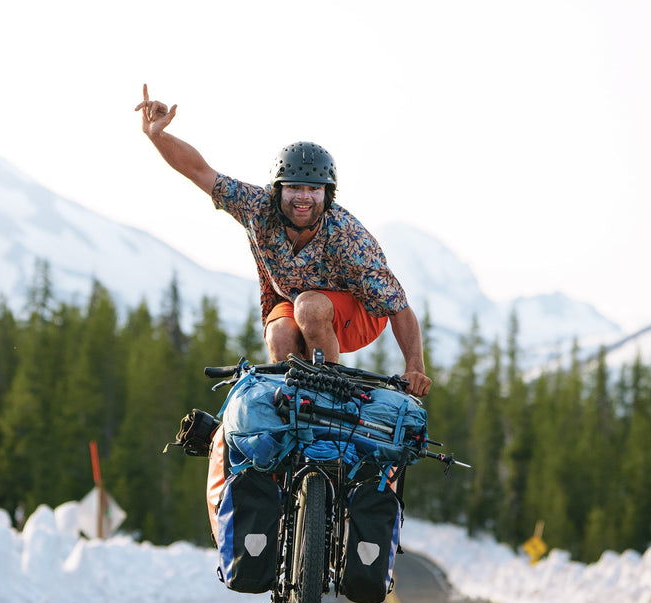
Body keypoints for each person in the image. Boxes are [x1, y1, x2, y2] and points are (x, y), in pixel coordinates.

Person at [135, 84, 432, 399]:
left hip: (358, 314)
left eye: (313, 190)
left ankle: (331, 400)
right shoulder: (255, 205)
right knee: (280, 335)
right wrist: (157, 135)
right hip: (289, 301)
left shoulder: (348, 236)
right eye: (294, 188)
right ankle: (296, 408)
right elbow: (199, 171)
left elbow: (398, 306)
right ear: (278, 190)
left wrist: (415, 367)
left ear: (327, 194)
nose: (303, 198)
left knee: (309, 308)